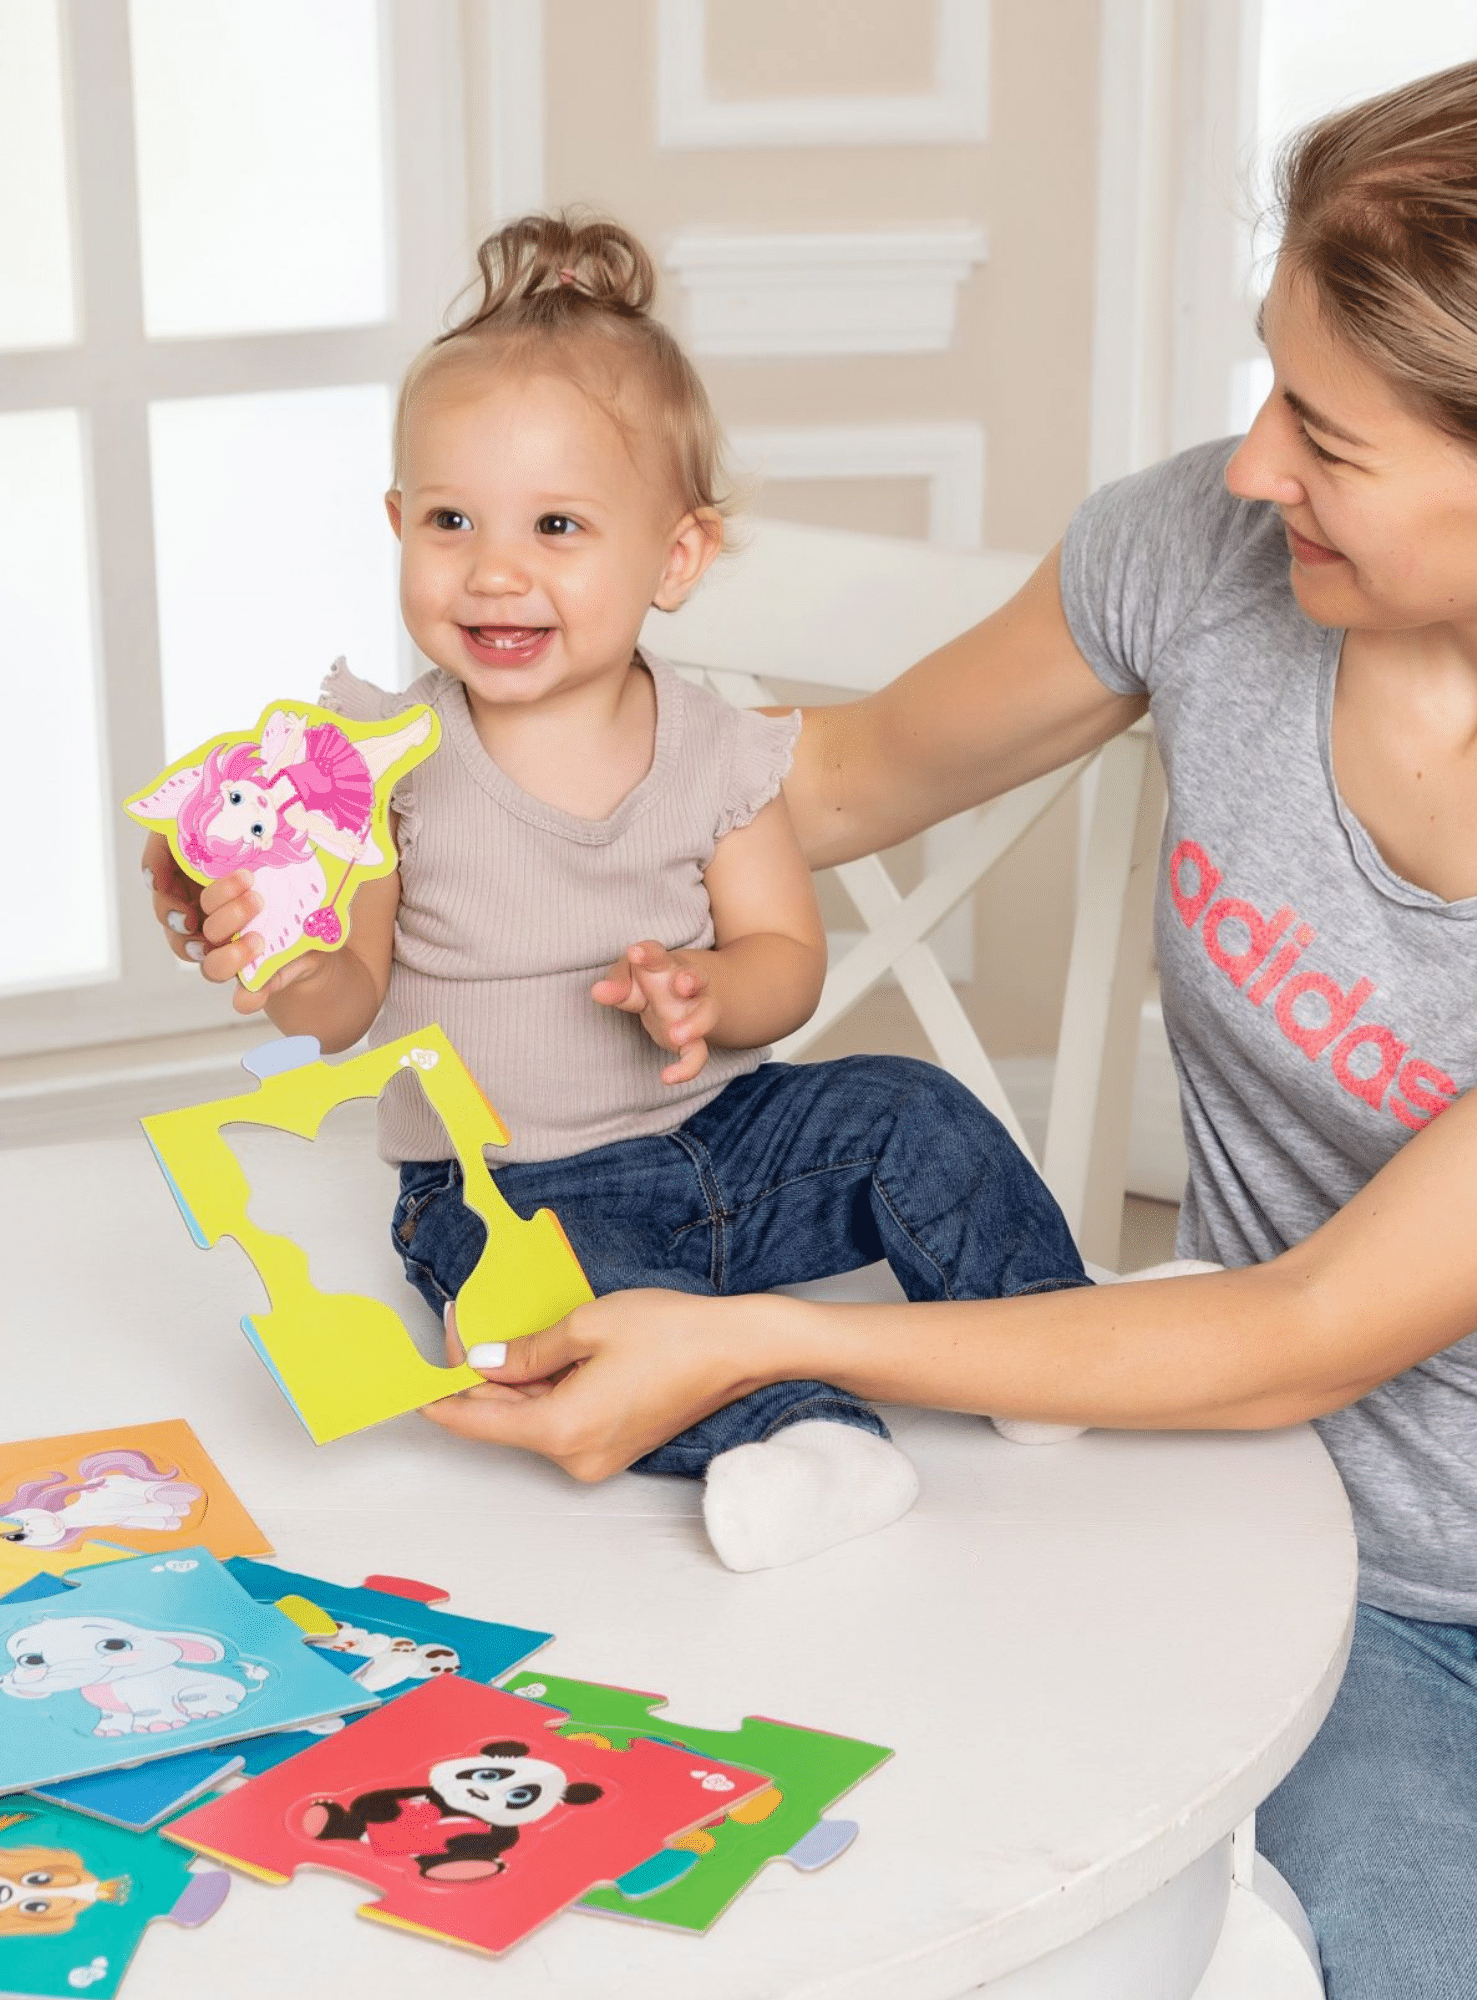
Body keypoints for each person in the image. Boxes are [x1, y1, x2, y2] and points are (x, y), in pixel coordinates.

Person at [417, 65, 1477, 2000]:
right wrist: (422, 789)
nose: (1250, 466)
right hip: (1302, 1552)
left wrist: (767, 1342)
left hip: (1345, 1499)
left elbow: (1301, 1331)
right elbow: (820, 783)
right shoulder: (1206, 559)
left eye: (1326, 434)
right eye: (1266, 384)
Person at [147, 212, 1091, 1574]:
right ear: (398, 525)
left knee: (910, 1107)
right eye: (451, 520)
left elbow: (786, 961)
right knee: (560, 1308)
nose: (495, 569)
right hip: (508, 1188)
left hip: (721, 1136)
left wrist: (709, 988)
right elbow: (345, 1005)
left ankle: (1042, 1341)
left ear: (676, 558)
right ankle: (804, 1441)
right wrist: (287, 963)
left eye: (559, 527)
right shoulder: (383, 761)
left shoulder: (720, 750)